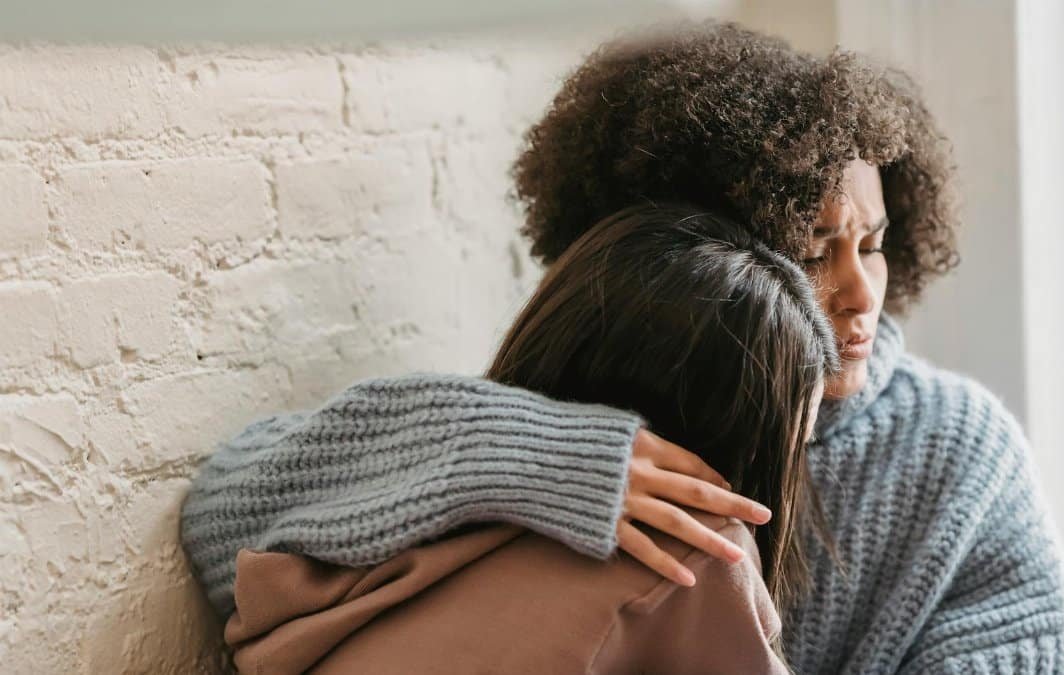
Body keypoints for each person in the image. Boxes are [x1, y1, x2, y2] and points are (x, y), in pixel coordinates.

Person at [181, 20, 1064, 673]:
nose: (859, 292)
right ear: (702, 252)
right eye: (811, 252)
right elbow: (223, 524)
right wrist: (539, 456)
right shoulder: (581, 411)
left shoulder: (960, 451)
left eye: (875, 242)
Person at [213, 204, 836, 674]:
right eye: (791, 444)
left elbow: (217, 523)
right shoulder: (696, 549)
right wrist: (567, 458)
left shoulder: (421, 517)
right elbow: (214, 512)